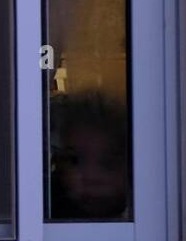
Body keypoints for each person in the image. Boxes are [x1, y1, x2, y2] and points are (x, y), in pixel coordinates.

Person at [48, 92, 130, 220]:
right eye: (74, 160)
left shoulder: (147, 215)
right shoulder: (43, 215)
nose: (91, 177)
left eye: (109, 163)